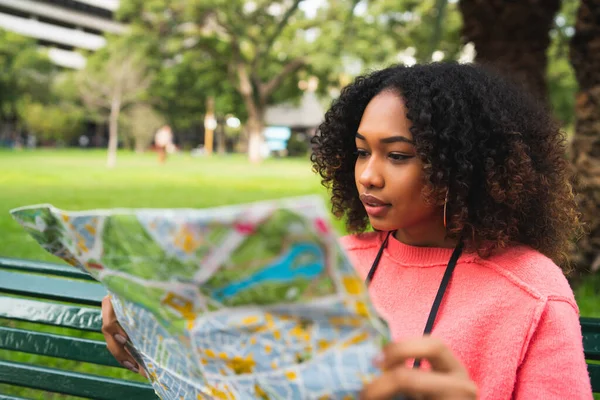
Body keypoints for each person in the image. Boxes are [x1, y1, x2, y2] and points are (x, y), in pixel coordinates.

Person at [101, 63, 593, 399]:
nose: (368, 175)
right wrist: (147, 323)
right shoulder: (326, 261)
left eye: (397, 155)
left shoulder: (532, 296)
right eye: (361, 151)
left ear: (469, 167)